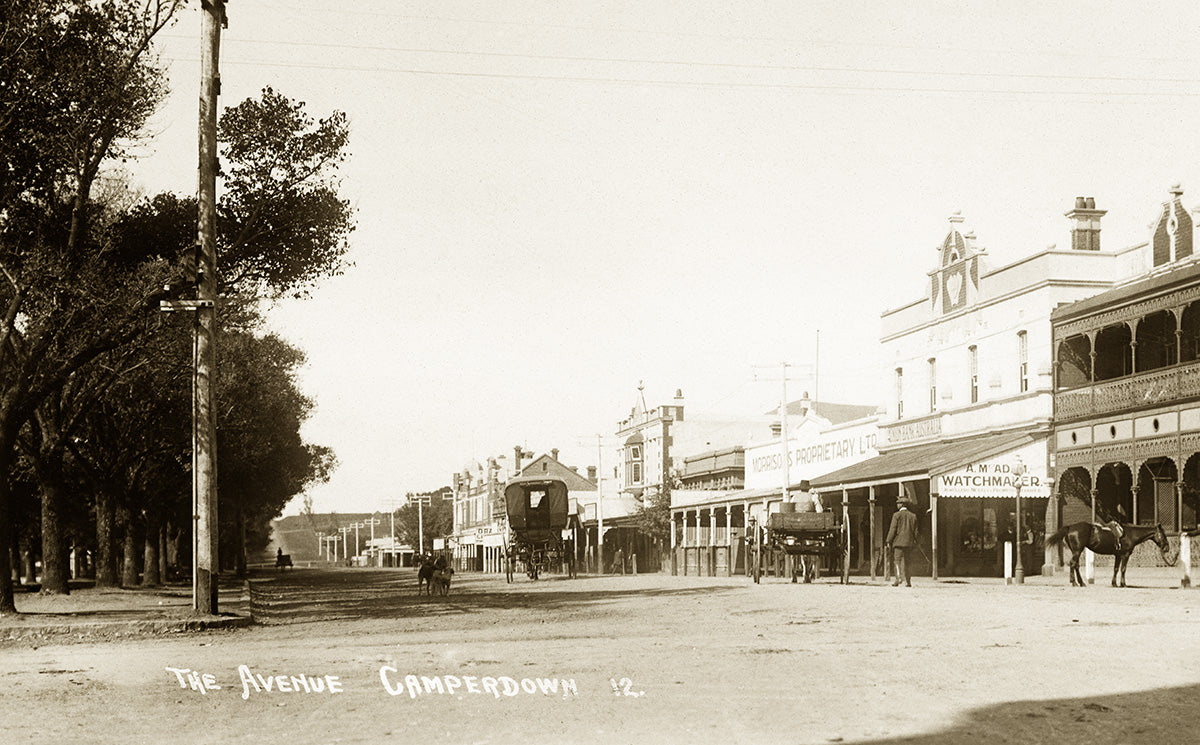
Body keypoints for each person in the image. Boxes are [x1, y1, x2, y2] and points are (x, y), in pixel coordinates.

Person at [885, 500, 919, 587]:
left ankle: (898, 578)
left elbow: (893, 529)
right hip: (909, 543)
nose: (897, 505)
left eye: (898, 503)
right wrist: (915, 541)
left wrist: (888, 540)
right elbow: (916, 532)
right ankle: (908, 581)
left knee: (897, 560)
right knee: (908, 562)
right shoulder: (913, 516)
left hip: (898, 542)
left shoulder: (896, 515)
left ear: (902, 504)